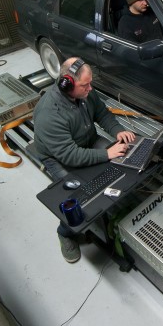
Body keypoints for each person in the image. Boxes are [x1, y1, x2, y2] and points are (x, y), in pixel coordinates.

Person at [33, 57, 135, 263]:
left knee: (123, 157)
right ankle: (65, 233)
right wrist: (107, 154)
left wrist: (118, 131)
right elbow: (70, 155)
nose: (90, 88)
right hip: (58, 157)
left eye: (90, 83)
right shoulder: (49, 114)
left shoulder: (85, 91)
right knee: (79, 200)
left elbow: (102, 114)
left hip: (86, 139)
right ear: (67, 83)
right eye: (85, 85)